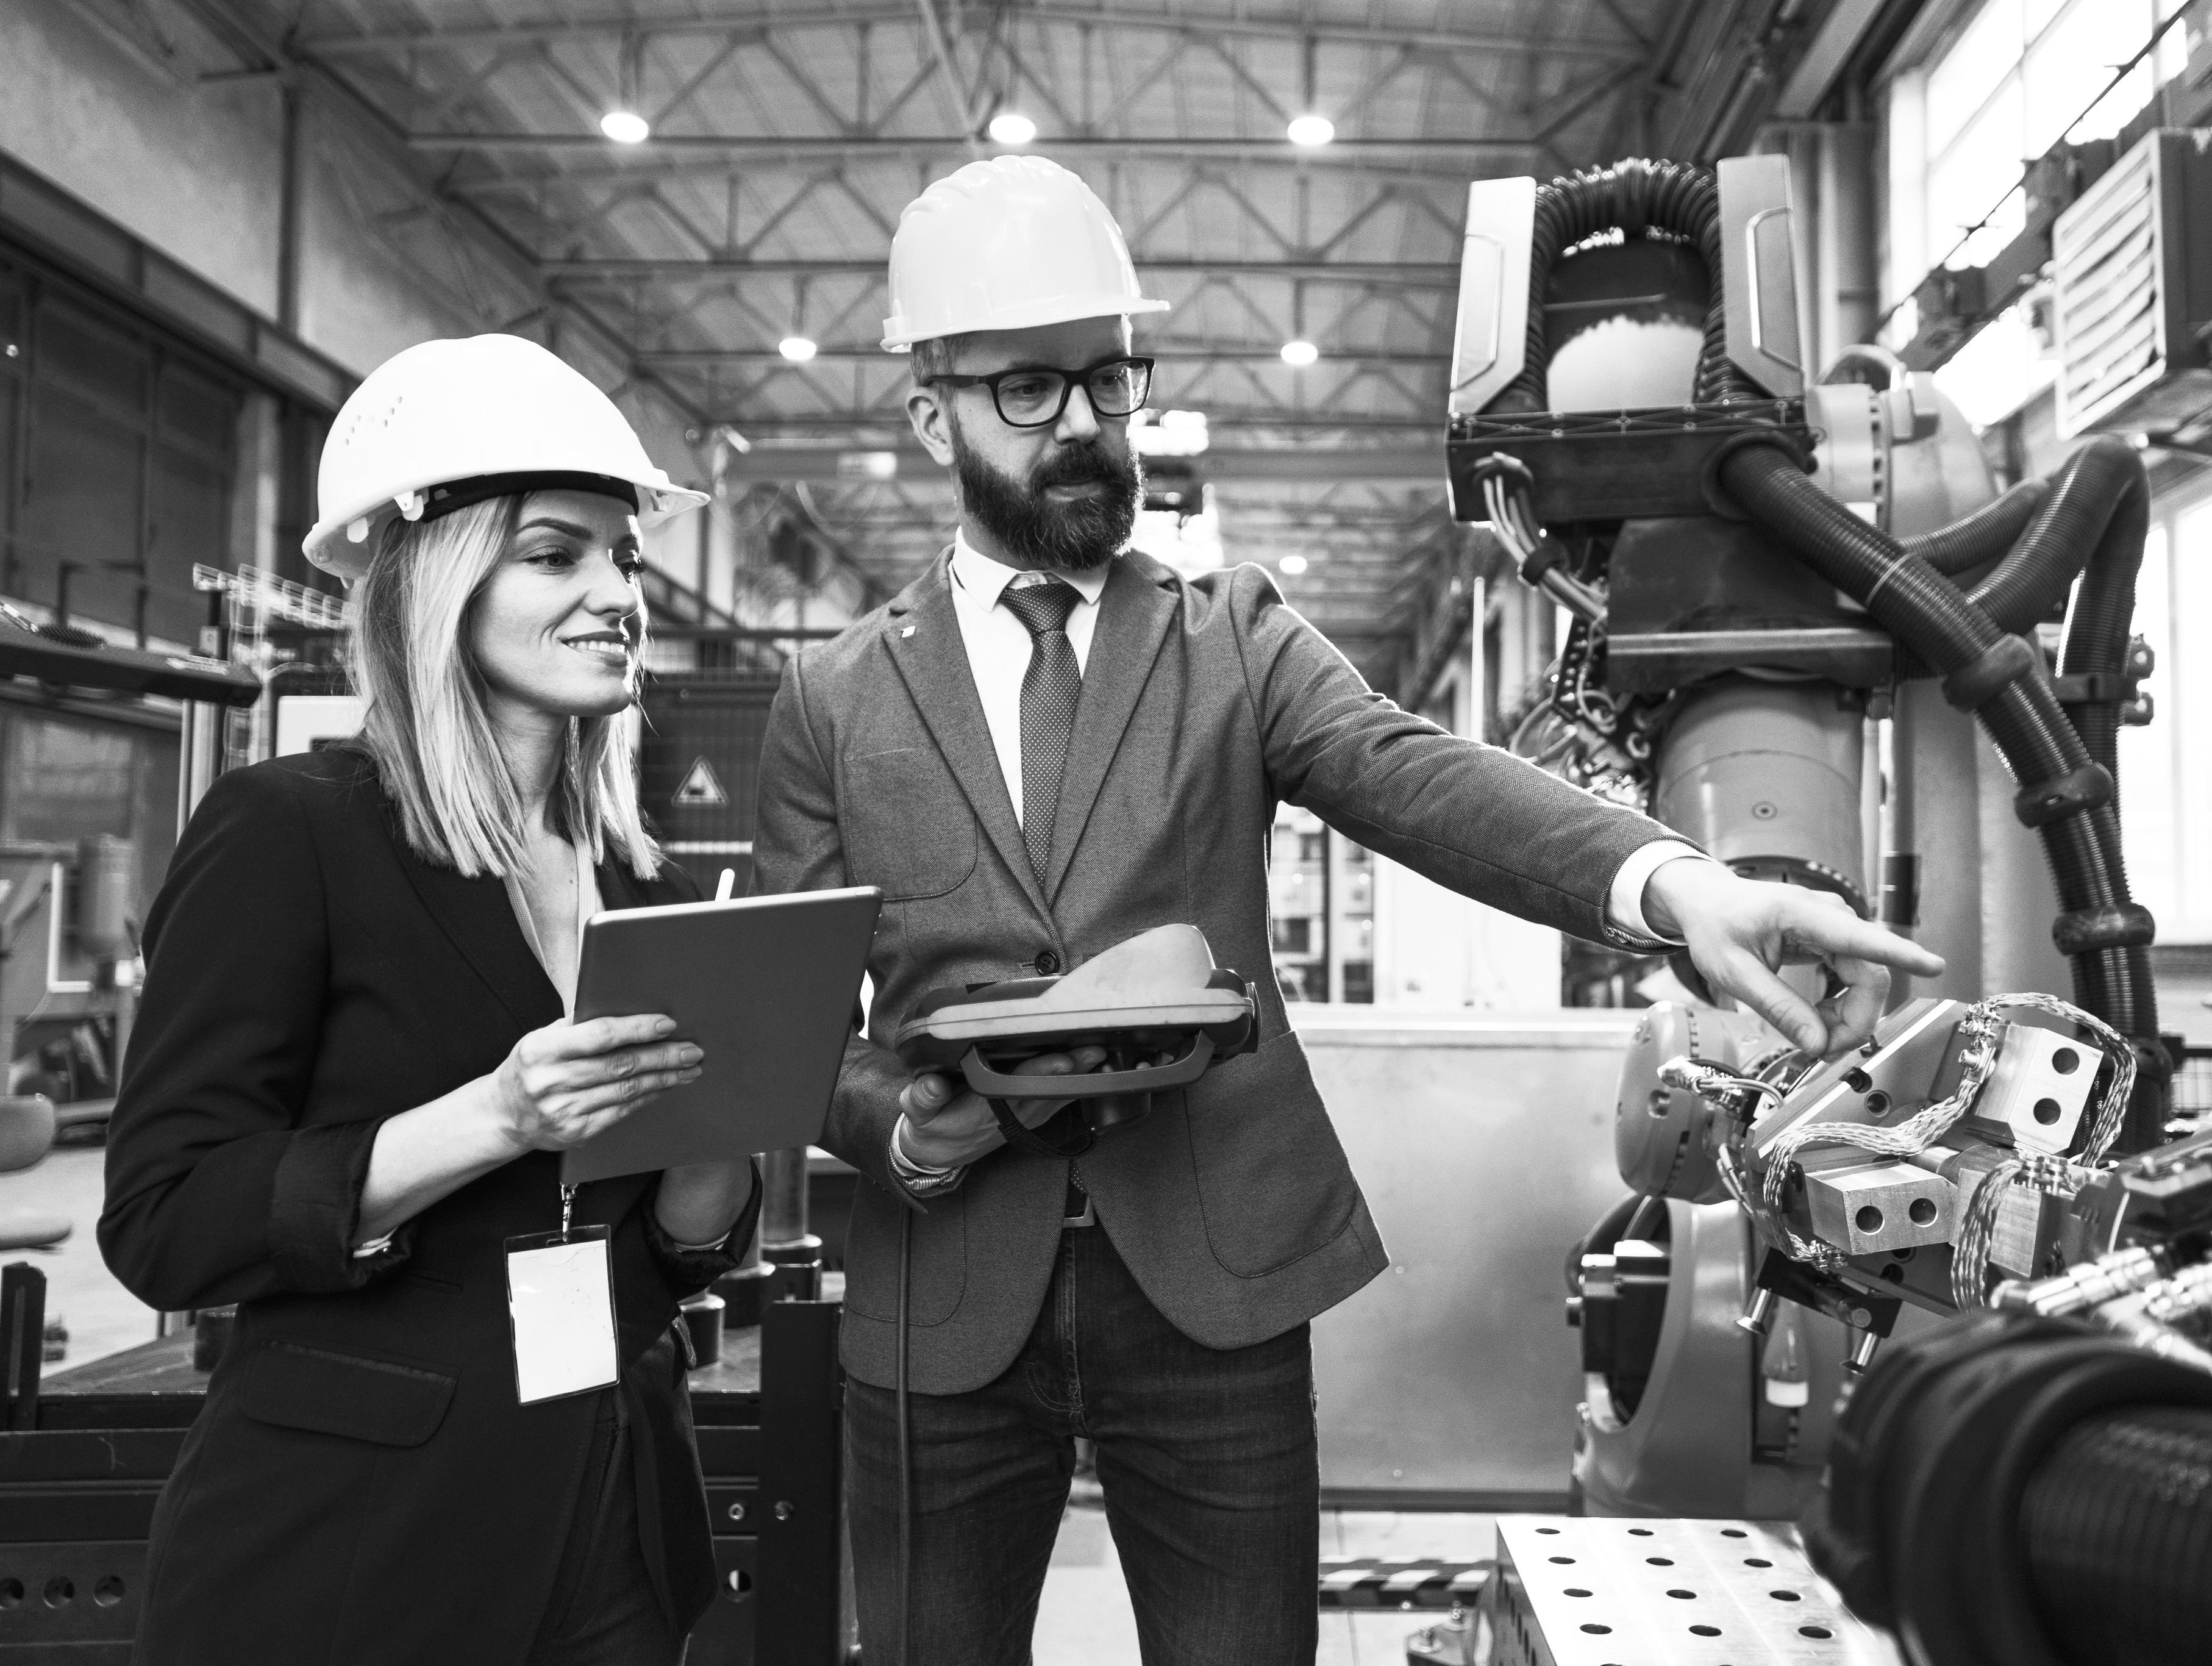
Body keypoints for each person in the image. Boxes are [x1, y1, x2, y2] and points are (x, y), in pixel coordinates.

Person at [752, 155, 1946, 1665]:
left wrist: (1678, 881)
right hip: (944, 1296)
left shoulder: (1230, 638)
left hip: (1214, 1281)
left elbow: (1416, 775)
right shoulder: (834, 699)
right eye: (1027, 390)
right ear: (931, 415)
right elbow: (791, 1023)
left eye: (1109, 380)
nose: (1083, 425)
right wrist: (893, 1127)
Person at [99, 335, 760, 1665]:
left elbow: (670, 1254)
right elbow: (166, 1221)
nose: (618, 594)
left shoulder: (655, 889)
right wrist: (493, 1118)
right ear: (439, 580)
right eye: (557, 555)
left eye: (626, 558)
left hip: (618, 1527)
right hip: (360, 1547)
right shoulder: (292, 832)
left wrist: (715, 1150)